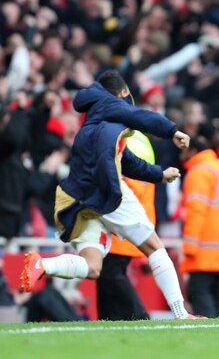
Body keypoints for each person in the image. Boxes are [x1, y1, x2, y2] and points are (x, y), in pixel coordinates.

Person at [19, 70, 201, 320]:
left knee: (93, 268)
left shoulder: (95, 122)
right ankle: (181, 314)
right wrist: (172, 131)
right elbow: (141, 117)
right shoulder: (109, 104)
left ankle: (42, 264)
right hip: (105, 192)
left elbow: (126, 161)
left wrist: (160, 175)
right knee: (154, 247)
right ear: (124, 92)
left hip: (79, 198)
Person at [180, 123, 219, 318]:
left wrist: (189, 247)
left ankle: (208, 330)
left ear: (193, 151)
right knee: (217, 293)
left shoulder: (199, 172)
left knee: (198, 291)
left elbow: (196, 212)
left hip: (204, 248)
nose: (180, 156)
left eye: (184, 150)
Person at [96, 131, 155, 321]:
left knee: (110, 274)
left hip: (121, 223)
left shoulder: (120, 137)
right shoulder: (140, 139)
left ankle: (140, 316)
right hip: (134, 220)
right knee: (108, 276)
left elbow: (127, 185)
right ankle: (107, 319)